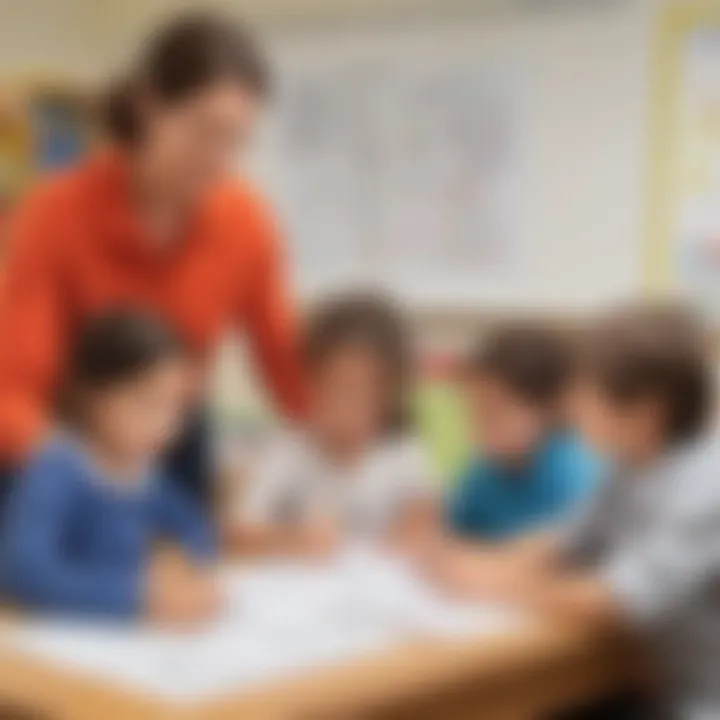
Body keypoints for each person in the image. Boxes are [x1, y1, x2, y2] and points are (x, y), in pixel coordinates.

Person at [0, 12, 304, 511]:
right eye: (204, 130)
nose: (218, 159)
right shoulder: (53, 214)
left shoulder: (246, 220)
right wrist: (79, 478)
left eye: (237, 140)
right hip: (61, 443)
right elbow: (15, 389)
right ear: (147, 106)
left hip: (171, 435)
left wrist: (360, 444)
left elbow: (285, 362)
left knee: (189, 570)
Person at [425, 303, 719, 720]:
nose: (571, 408)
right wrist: (470, 565)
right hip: (652, 682)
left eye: (588, 396)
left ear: (645, 415)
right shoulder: (629, 462)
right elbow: (562, 542)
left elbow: (611, 599)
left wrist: (496, 587)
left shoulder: (706, 489)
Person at [1, 310, 219, 622]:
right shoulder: (58, 469)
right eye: (146, 403)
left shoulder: (144, 471)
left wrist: (184, 564)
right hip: (64, 632)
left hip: (125, 632)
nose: (163, 426)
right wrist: (133, 596)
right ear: (93, 398)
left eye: (175, 407)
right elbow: (24, 572)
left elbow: (195, 529)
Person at [227, 294, 437, 556]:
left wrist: (413, 535)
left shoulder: (404, 454)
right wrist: (293, 538)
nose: (343, 406)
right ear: (310, 381)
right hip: (299, 587)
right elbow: (237, 536)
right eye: (332, 387)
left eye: (359, 392)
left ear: (388, 396)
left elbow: (424, 531)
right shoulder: (289, 447)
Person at [447, 323, 600, 541]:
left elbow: (575, 557)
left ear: (549, 410)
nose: (480, 428)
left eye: (494, 414)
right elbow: (454, 537)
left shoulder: (576, 474)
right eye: (475, 413)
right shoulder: (482, 471)